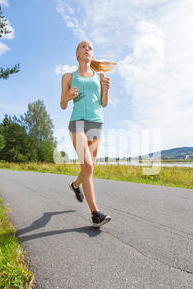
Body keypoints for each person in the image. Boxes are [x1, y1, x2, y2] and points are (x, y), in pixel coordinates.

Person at [60, 40, 117, 228]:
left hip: (96, 122)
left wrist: (106, 89)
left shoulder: (100, 76)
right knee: (89, 167)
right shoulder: (68, 77)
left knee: (88, 167)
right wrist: (68, 97)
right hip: (77, 122)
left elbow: (104, 103)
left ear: (92, 54)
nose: (87, 49)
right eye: (83, 47)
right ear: (77, 53)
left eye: (90, 48)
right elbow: (62, 104)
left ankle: (76, 185)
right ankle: (95, 214)